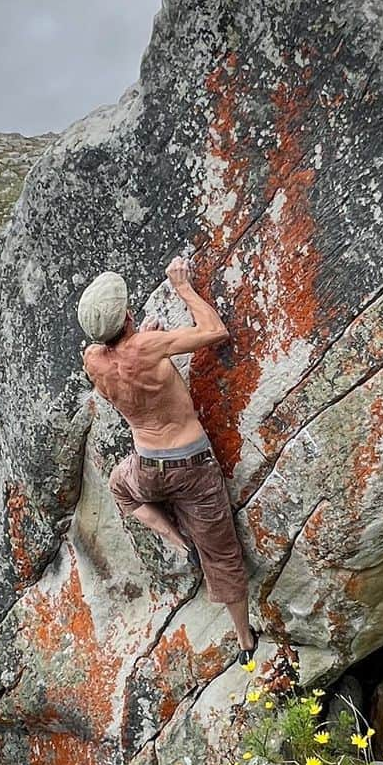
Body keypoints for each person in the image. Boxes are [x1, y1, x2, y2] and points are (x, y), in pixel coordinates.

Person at [79, 256, 258, 664]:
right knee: (224, 556)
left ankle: (177, 540)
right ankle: (246, 641)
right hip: (193, 467)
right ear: (127, 316)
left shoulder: (94, 361)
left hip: (147, 470)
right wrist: (183, 287)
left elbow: (127, 362)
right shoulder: (149, 346)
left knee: (120, 488)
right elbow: (215, 331)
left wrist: (145, 338)